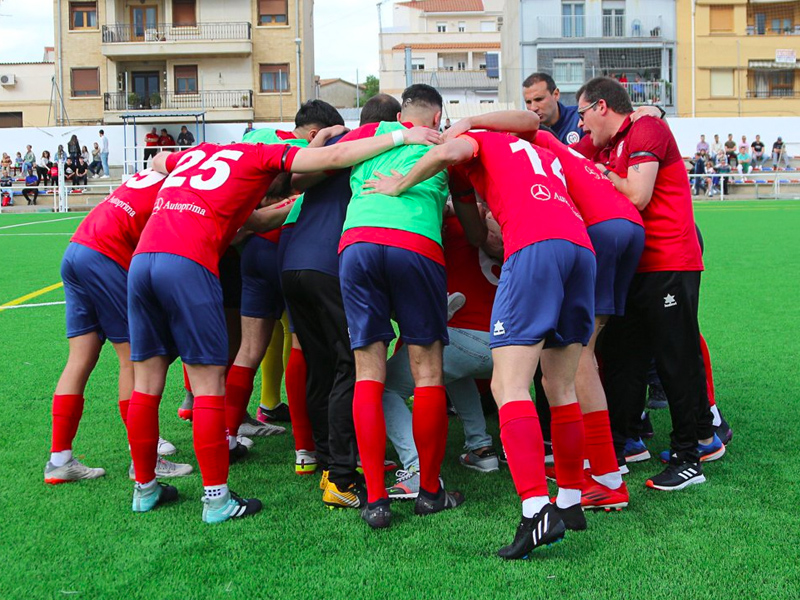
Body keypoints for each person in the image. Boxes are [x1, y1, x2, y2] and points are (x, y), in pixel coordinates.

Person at [126, 121, 440, 523]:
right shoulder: (259, 155)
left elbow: (157, 161)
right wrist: (402, 137)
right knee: (210, 384)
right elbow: (333, 158)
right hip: (189, 262)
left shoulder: (194, 153)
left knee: (146, 384)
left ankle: (145, 489)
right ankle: (218, 499)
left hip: (144, 259)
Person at [365, 109, 595, 558]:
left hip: (534, 247)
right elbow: (526, 121)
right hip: (579, 247)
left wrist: (400, 183)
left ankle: (535, 510)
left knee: (508, 385)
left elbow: (453, 150)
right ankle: (569, 501)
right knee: (560, 386)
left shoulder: (479, 142)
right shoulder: (525, 146)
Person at [575, 76, 720, 491]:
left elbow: (638, 194)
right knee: (623, 358)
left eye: (584, 114)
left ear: (602, 106)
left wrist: (601, 172)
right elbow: (564, 156)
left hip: (669, 260)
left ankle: (691, 453)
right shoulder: (605, 142)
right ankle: (620, 445)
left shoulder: (647, 128)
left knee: (675, 358)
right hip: (634, 266)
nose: (582, 126)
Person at [331, 84, 461, 530]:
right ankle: (429, 492)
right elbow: (472, 226)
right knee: (427, 372)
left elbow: (323, 160)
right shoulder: (443, 142)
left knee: (369, 372)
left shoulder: (371, 134)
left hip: (358, 242)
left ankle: (375, 499)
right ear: (437, 115)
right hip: (416, 245)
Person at [43, 169, 191, 484]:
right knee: (134, 358)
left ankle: (59, 460)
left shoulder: (151, 174)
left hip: (77, 248)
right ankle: (144, 461)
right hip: (104, 254)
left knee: (80, 358)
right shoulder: (180, 185)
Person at [522, 72, 583, 145]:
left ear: (556, 95)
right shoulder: (525, 132)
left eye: (539, 99)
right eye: (528, 102)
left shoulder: (580, 118)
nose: (533, 108)